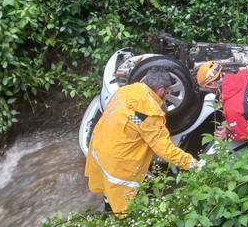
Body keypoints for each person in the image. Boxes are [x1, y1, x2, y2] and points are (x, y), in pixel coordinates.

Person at [85, 68, 202, 215]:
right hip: (119, 162)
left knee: (110, 192)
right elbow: (165, 150)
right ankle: (123, 223)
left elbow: (132, 118)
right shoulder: (149, 113)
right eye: (167, 91)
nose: (167, 94)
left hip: (100, 147)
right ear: (160, 90)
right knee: (125, 203)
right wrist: (193, 164)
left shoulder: (126, 91)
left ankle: (109, 212)